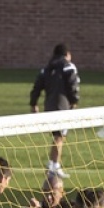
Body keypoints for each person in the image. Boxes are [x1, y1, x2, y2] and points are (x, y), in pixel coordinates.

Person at [30, 43, 80, 178]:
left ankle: (53, 164)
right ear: (67, 54)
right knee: (59, 137)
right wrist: (74, 101)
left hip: (49, 107)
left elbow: (36, 87)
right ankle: (54, 167)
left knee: (57, 136)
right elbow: (73, 84)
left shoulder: (46, 68)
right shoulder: (68, 66)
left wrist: (34, 103)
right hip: (63, 107)